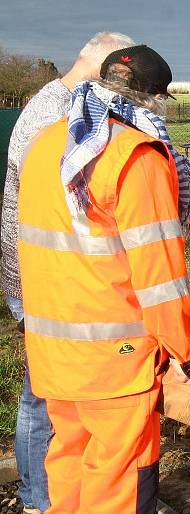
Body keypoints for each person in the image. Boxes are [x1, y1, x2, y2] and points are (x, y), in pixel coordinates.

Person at [17, 44, 190, 513]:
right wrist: (187, 353)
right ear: (153, 100)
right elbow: (160, 278)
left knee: (68, 459)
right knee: (119, 476)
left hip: (53, 356)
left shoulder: (48, 144)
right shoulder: (136, 156)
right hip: (115, 364)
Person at [0, 31, 136, 514]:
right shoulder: (53, 115)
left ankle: (57, 492)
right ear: (102, 68)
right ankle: (41, 498)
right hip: (41, 276)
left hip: (45, 270)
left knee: (54, 390)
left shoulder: (60, 104)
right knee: (44, 394)